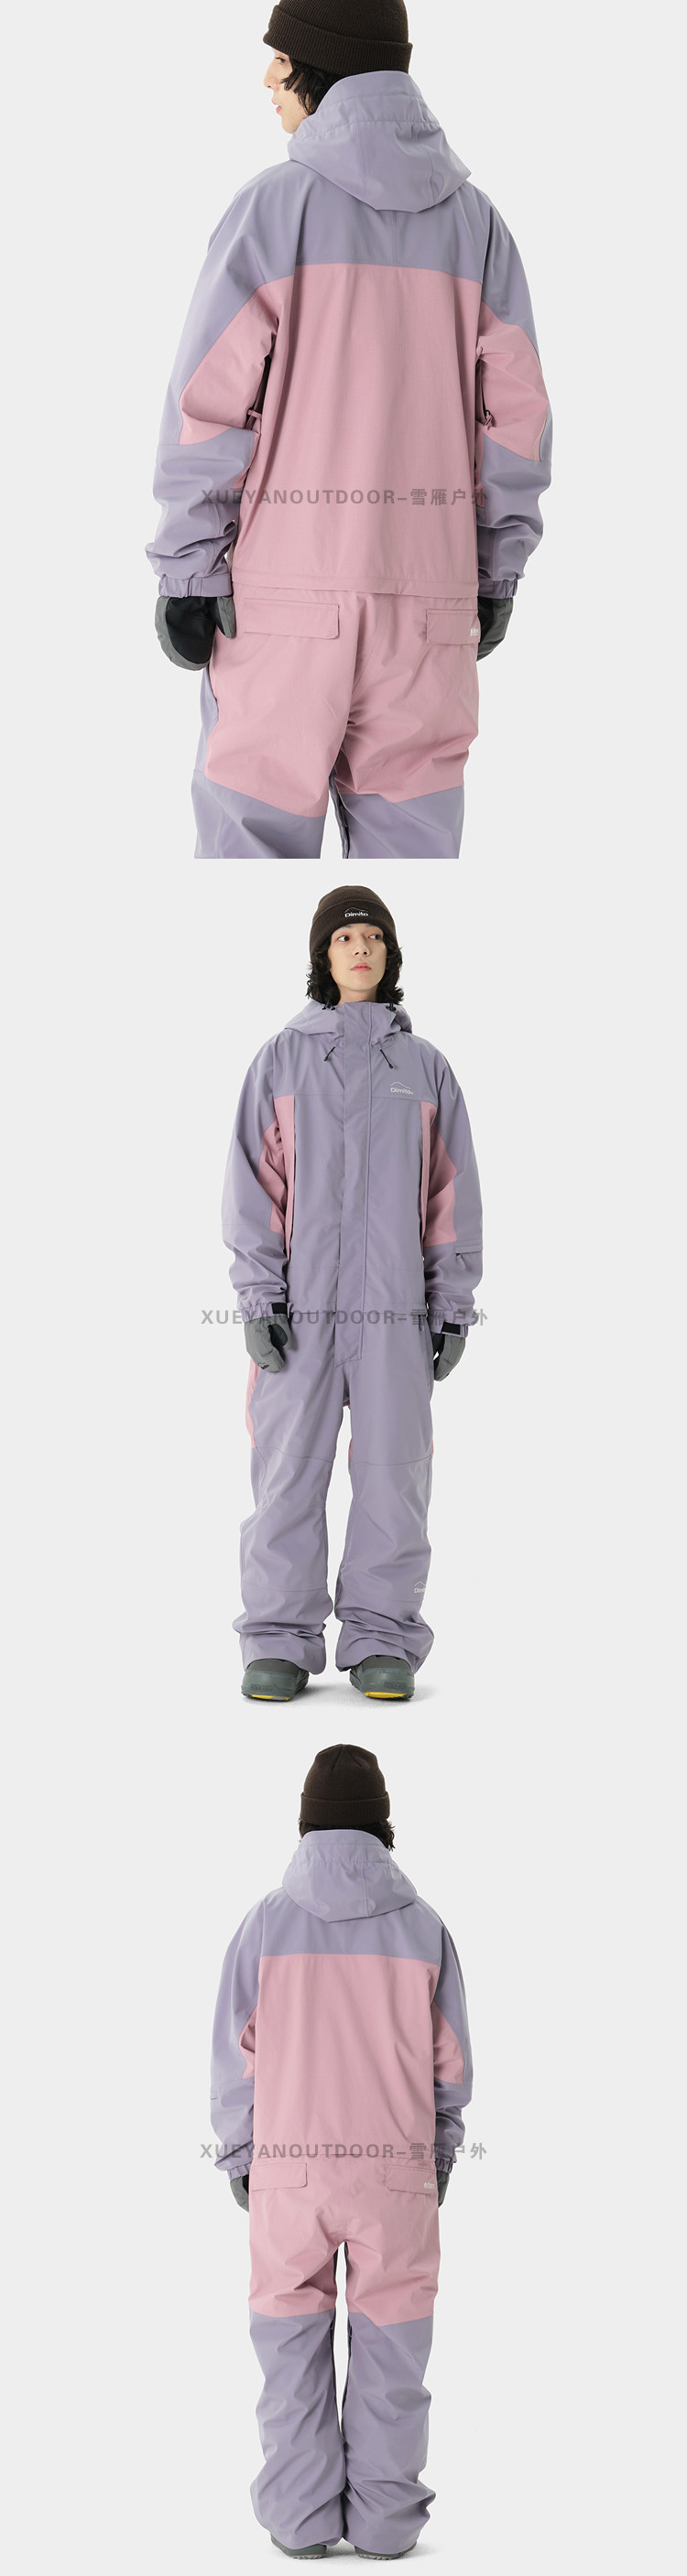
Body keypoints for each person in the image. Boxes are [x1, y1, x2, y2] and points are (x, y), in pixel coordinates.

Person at [147, 1, 551, 860]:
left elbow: (207, 405)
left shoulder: (273, 210)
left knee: (249, 866)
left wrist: (188, 568)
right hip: (432, 613)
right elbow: (516, 419)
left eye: (280, 56)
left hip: (283, 613)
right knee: (416, 865)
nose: (267, 76)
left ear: (321, 65)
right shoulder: (477, 226)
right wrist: (496, 569)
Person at [212, 1743, 473, 2559]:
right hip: (396, 2172)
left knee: (289, 2349)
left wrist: (241, 2155)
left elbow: (233, 2056)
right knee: (394, 2353)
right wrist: (441, 2153)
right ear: (384, 1828)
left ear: (305, 1827)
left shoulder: (264, 1924)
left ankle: (300, 2521)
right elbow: (451, 2062)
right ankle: (388, 2526)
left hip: (289, 2174)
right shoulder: (424, 1927)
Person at [221, 884, 483, 1699]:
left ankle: (381, 1636)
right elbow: (252, 1187)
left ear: (390, 954)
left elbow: (450, 1198)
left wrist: (451, 1310)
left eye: (372, 936)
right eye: (344, 938)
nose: (359, 948)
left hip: (396, 1316)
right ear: (323, 956)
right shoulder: (281, 1059)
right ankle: (278, 1637)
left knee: (393, 1474)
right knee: (286, 1472)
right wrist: (259, 1300)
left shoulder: (425, 1068)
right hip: (299, 1315)